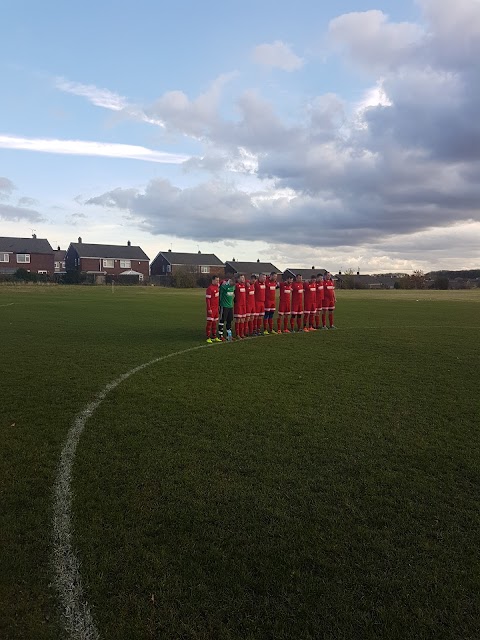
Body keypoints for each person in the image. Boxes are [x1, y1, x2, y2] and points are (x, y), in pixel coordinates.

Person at [205, 275, 221, 343]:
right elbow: (208, 299)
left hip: (216, 308)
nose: (218, 281)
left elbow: (223, 282)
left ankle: (214, 336)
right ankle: (208, 337)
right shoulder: (210, 288)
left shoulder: (217, 286)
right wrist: (209, 308)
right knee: (210, 323)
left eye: (218, 280)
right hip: (211, 308)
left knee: (215, 323)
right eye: (216, 280)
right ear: (213, 280)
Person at [219, 276, 235, 340]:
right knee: (222, 320)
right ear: (230, 281)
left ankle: (229, 335)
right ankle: (220, 335)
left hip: (230, 306)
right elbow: (219, 286)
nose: (233, 285)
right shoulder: (224, 286)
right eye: (232, 283)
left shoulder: (233, 287)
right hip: (224, 306)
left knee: (229, 321)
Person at [234, 274, 247, 339]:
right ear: (238, 279)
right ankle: (237, 334)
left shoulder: (244, 285)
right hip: (238, 305)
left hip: (244, 305)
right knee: (238, 319)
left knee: (243, 319)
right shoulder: (236, 286)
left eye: (244, 278)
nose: (243, 279)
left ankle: (241, 333)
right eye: (242, 278)